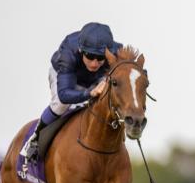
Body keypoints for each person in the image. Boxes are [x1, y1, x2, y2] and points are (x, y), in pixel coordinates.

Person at [20, 22, 121, 160]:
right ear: (81, 50)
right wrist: (89, 93)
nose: (94, 63)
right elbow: (64, 94)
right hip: (65, 76)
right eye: (90, 56)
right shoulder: (69, 51)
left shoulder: (116, 51)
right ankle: (35, 139)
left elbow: (133, 69)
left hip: (94, 79)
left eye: (100, 58)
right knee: (60, 105)